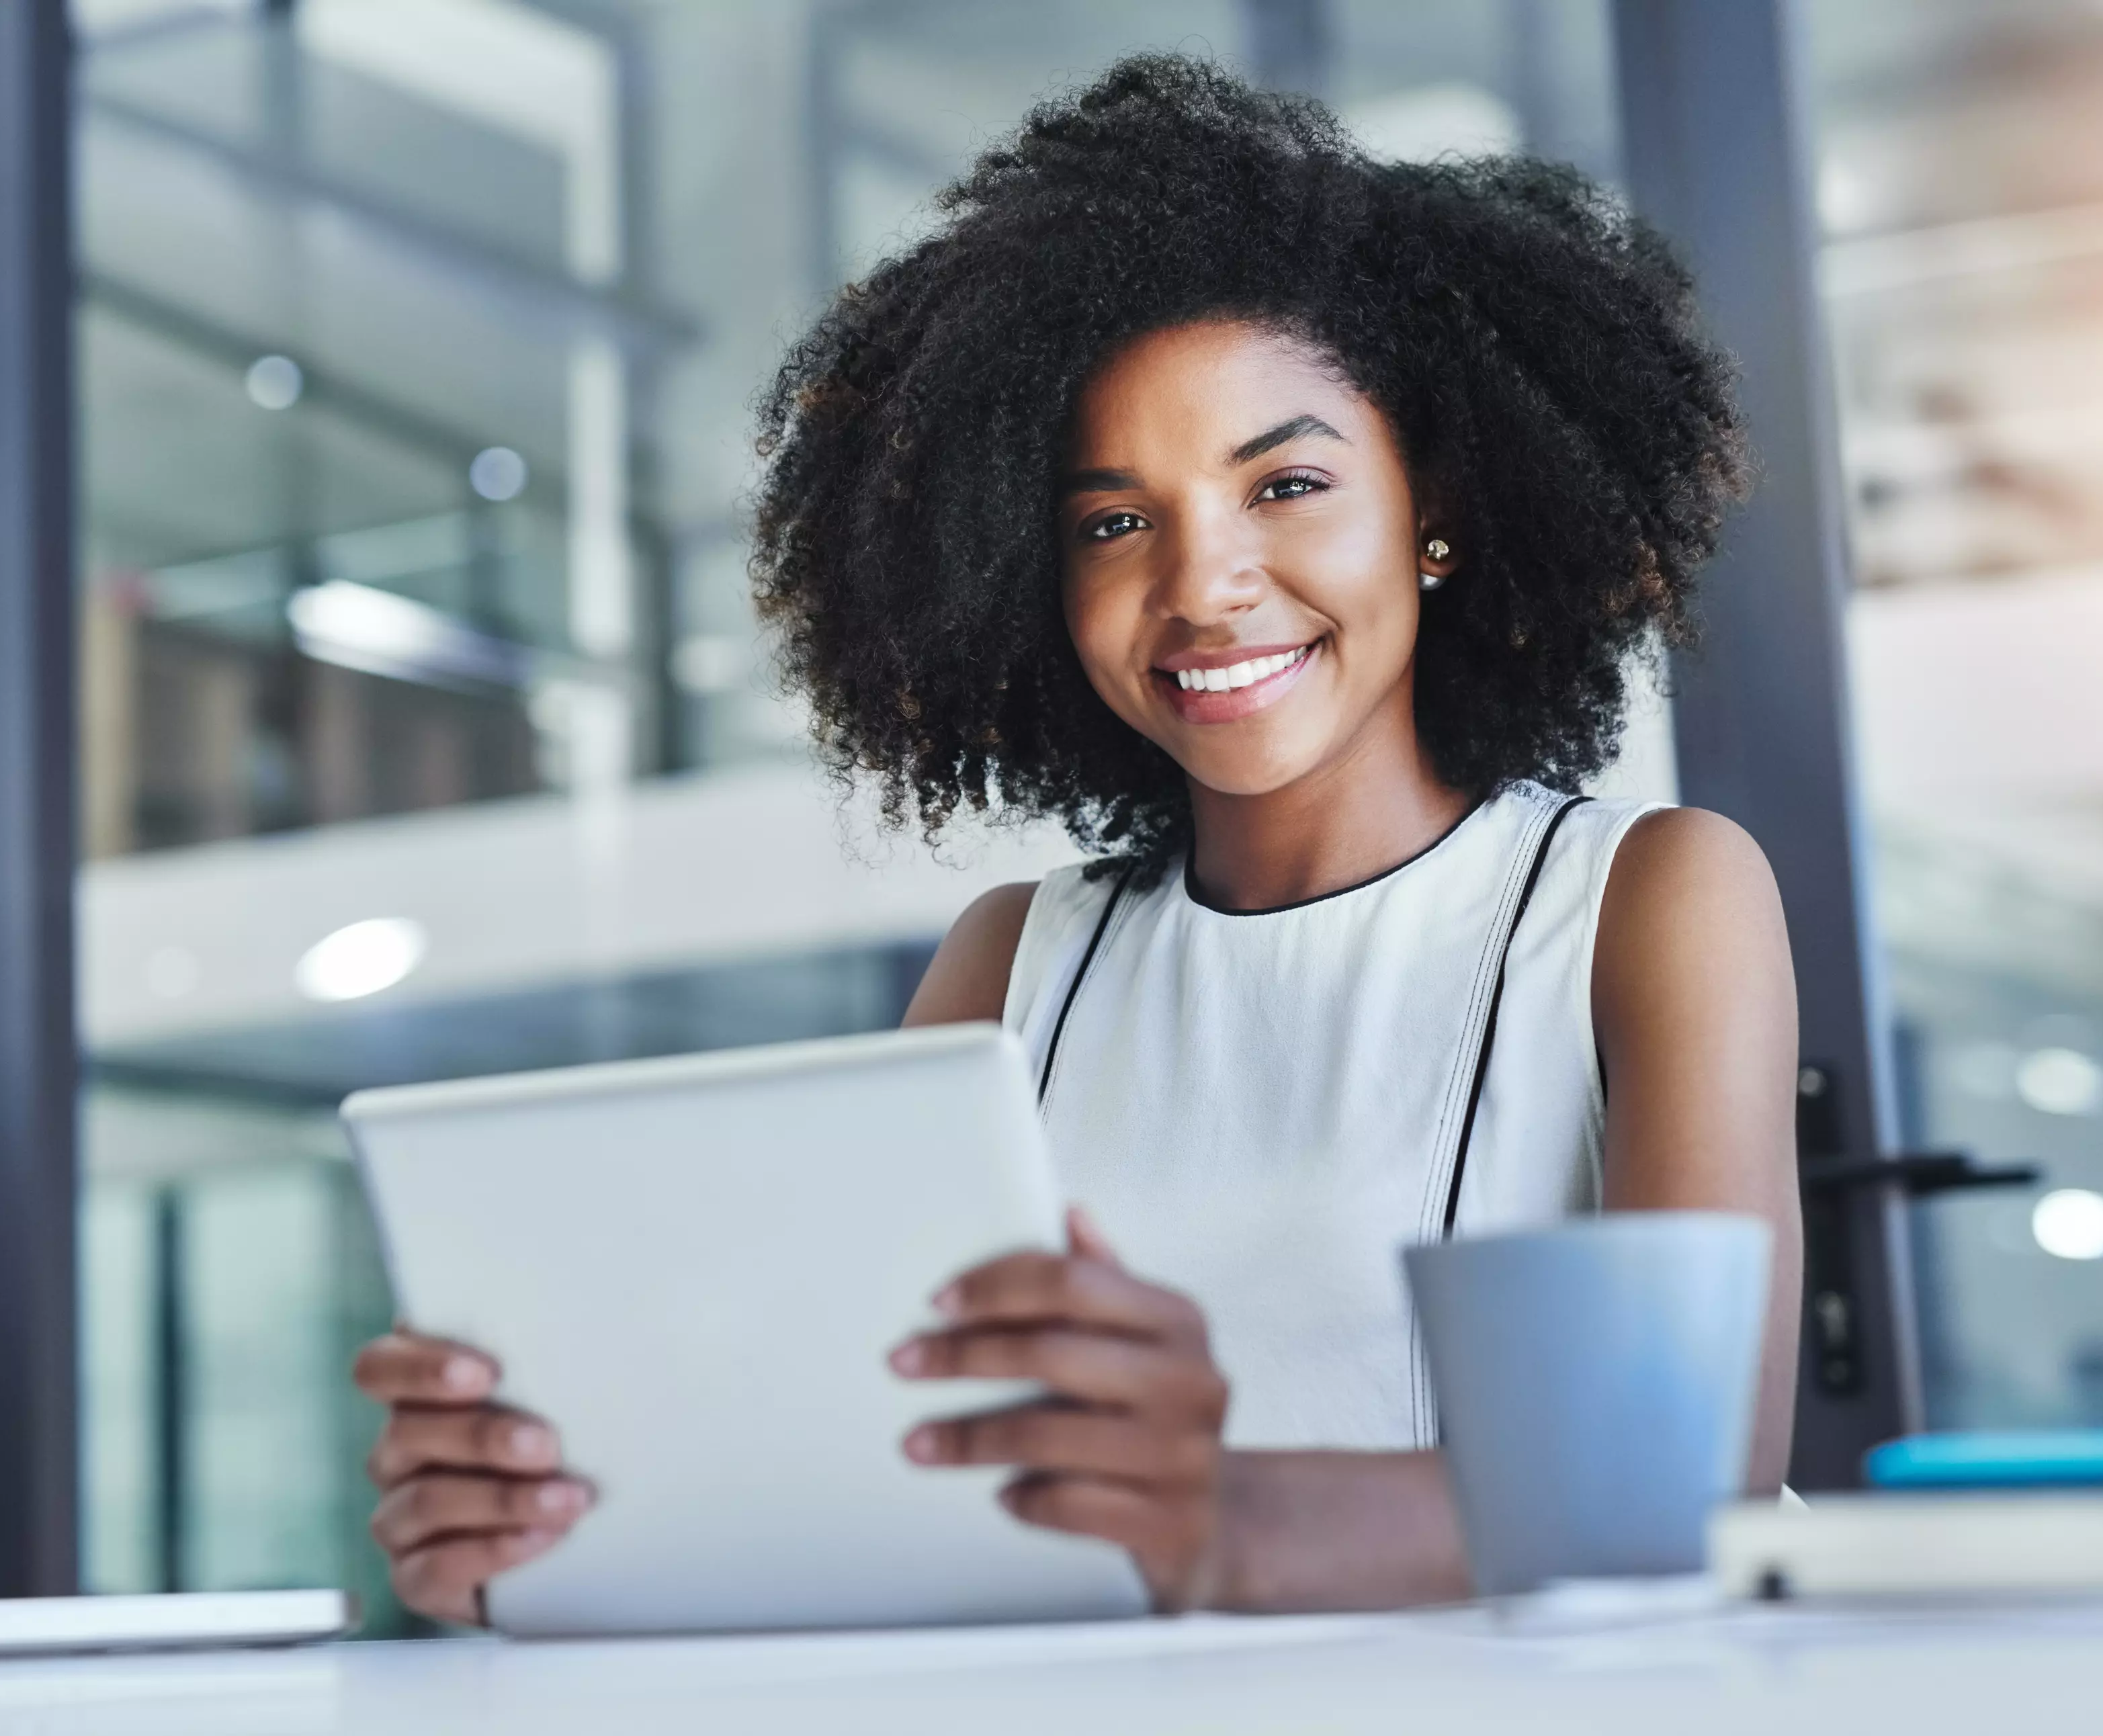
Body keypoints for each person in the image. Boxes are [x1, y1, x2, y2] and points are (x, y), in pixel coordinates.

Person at [353, 54, 1799, 1623]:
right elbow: (866, 1458)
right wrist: (547, 1523)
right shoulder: (1018, 956)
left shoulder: (1643, 897)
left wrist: (1219, 1516)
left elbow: (1696, 1471)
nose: (1204, 584)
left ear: (1433, 512)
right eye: (1116, 521)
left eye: (1288, 484)